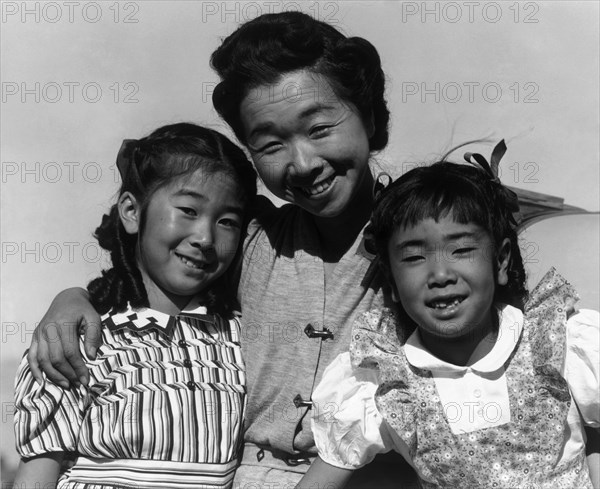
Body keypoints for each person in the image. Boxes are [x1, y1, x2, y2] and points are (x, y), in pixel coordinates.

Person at [23, 12, 416, 488]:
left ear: (369, 116)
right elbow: (151, 271)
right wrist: (72, 298)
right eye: (270, 144)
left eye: (319, 129)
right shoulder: (249, 240)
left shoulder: (427, 242)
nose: (303, 163)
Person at [299, 143, 600, 488]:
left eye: (461, 250)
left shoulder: (558, 344)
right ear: (392, 281)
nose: (440, 274)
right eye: (413, 257)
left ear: (501, 261)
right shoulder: (383, 383)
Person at [13, 123, 257, 488]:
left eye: (227, 221)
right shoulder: (82, 341)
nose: (206, 238)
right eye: (189, 210)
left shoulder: (244, 341)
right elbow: (36, 478)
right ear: (131, 211)